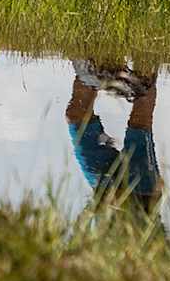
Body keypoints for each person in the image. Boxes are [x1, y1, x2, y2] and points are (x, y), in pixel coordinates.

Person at [64, 59, 163, 219]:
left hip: (103, 193)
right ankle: (147, 54)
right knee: (139, 122)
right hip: (141, 197)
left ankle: (96, 60)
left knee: (76, 116)